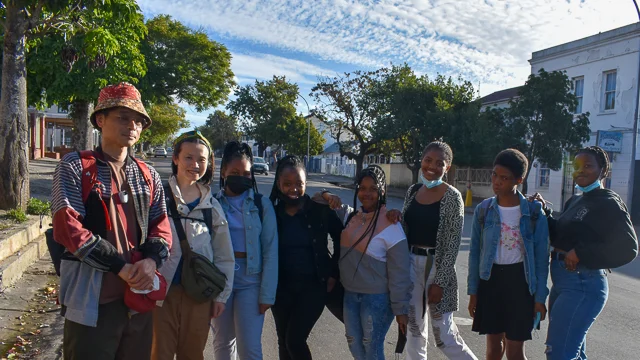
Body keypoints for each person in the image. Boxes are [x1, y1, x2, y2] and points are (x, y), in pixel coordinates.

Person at [51, 83, 172, 359]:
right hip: (91, 301)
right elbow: (67, 228)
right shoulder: (75, 166)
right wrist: (119, 267)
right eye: (122, 117)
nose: (132, 125)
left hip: (138, 300)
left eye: (138, 120)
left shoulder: (148, 174)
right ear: (100, 119)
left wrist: (151, 260)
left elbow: (161, 226)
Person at [532, 146, 638, 360]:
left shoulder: (608, 202)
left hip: (583, 284)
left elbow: (629, 248)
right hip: (563, 281)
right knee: (572, 353)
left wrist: (582, 253)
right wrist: (545, 212)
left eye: (588, 166)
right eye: (577, 166)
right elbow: (561, 237)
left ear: (602, 170)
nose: (580, 170)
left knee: (560, 354)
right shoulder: (576, 200)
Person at [389, 141, 477, 360]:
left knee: (444, 336)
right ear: (422, 161)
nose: (432, 167)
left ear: (447, 168)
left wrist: (439, 281)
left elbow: (452, 243)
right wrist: (395, 218)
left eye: (440, 163)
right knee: (414, 332)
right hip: (410, 265)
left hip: (436, 268)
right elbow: (406, 228)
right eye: (428, 160)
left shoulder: (453, 197)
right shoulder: (413, 191)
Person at [151, 131, 235, 359]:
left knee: (192, 354)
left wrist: (221, 297)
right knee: (158, 353)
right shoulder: (157, 197)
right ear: (175, 158)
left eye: (202, 160)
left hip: (198, 294)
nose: (195, 165)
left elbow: (224, 256)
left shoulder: (212, 207)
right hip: (160, 293)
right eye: (188, 157)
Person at [467, 149, 550, 360]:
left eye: (505, 178)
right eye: (495, 174)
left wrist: (539, 298)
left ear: (519, 180)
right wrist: (473, 292)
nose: (497, 181)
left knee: (515, 349)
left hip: (521, 285)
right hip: (491, 281)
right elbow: (475, 254)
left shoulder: (533, 213)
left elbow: (541, 260)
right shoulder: (484, 210)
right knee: (493, 348)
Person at [269, 155, 343, 360]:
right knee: (283, 341)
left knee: (294, 340)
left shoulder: (320, 210)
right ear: (278, 184)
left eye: (299, 184)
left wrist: (333, 273)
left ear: (306, 183)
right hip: (281, 289)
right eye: (287, 184)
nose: (294, 189)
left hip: (314, 287)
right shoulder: (272, 213)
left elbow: (341, 239)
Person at [211, 141, 279, 360]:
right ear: (223, 172)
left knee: (249, 347)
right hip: (221, 280)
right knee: (223, 343)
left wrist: (267, 294)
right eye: (235, 172)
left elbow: (270, 251)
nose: (241, 176)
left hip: (251, 281)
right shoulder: (212, 204)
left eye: (246, 173)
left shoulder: (261, 204)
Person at [339, 165, 411, 360]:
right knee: (354, 344)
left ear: (382, 191)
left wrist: (401, 309)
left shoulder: (391, 225)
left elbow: (400, 272)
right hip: (351, 295)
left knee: (372, 348)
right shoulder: (352, 217)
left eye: (373, 188)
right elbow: (322, 199)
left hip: (377, 299)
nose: (367, 193)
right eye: (362, 188)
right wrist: (328, 194)